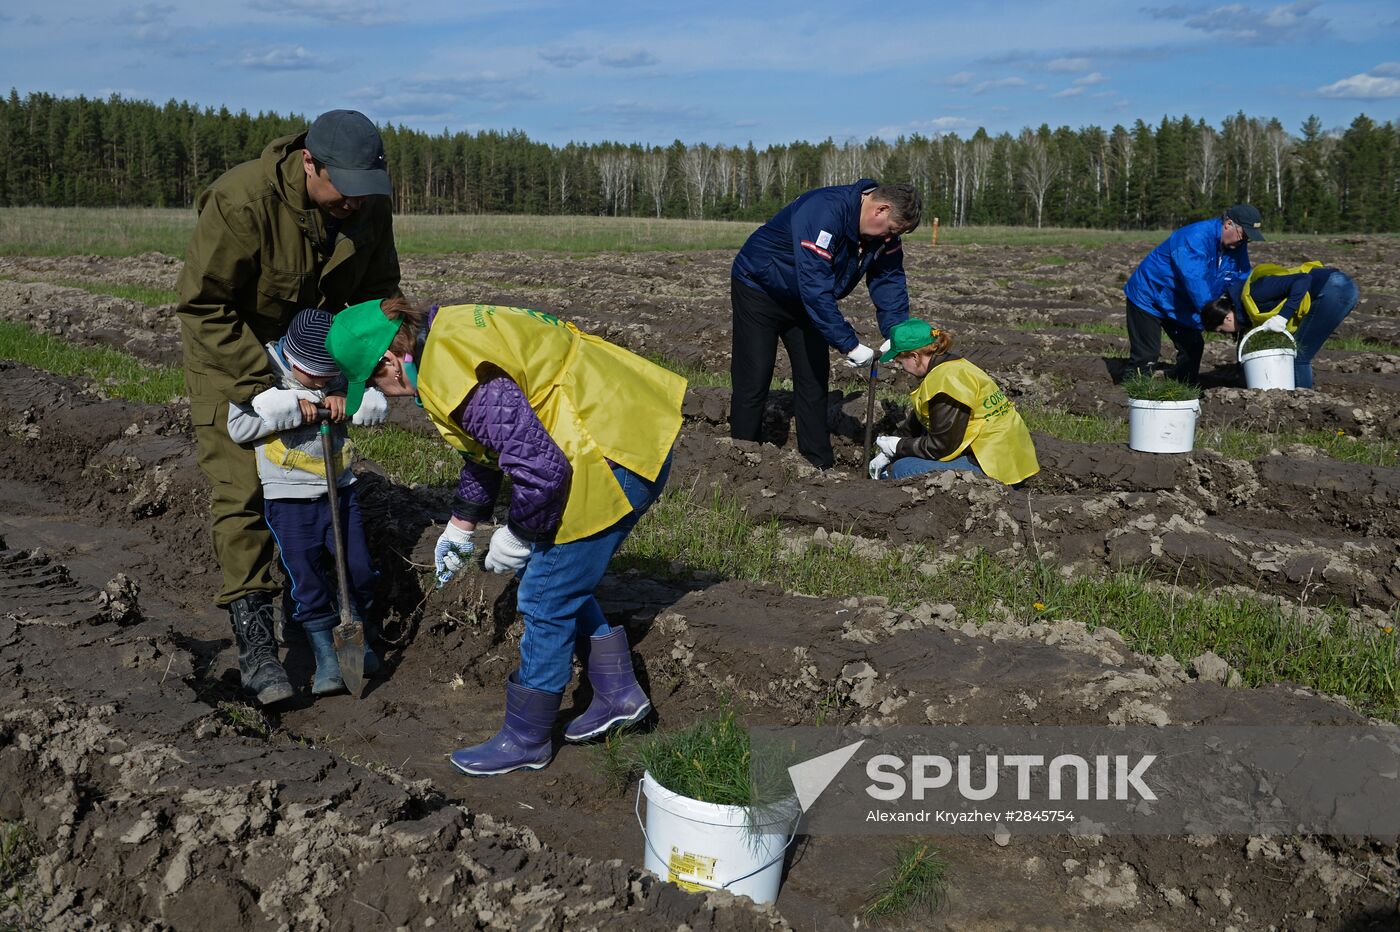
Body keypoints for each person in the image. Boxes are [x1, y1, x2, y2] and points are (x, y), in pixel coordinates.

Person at [325, 299, 685, 776]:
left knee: (543, 595)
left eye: (373, 382)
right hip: (621, 420)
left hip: (611, 449)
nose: (381, 392)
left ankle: (527, 739)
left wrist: (517, 535)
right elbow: (491, 443)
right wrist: (462, 523)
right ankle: (618, 694)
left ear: (389, 359)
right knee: (560, 577)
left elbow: (543, 472)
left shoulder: (450, 372)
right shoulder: (446, 334)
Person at [175, 109, 400, 706]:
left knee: (323, 487)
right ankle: (257, 647)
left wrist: (374, 371)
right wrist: (260, 385)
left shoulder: (366, 206)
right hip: (234, 356)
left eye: (364, 190)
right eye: (343, 188)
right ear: (309, 163)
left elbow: (377, 298)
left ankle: (320, 623)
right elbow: (203, 306)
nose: (354, 202)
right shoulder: (241, 202)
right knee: (242, 492)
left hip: (315, 356)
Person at [226, 307, 385, 697]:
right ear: (292, 360)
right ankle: (325, 656)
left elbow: (361, 394)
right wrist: (292, 410)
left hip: (339, 490)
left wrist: (344, 397)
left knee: (359, 568)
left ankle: (357, 635)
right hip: (289, 499)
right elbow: (238, 427)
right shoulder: (262, 375)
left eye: (330, 376)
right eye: (315, 377)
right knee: (307, 578)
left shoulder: (332, 376)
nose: (323, 383)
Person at [730, 180, 921, 469]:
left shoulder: (883, 238)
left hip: (805, 300)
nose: (891, 237)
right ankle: (742, 457)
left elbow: (889, 278)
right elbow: (814, 285)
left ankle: (818, 463)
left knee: (813, 378)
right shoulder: (824, 210)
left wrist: (897, 331)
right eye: (892, 229)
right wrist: (849, 343)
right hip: (760, 288)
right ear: (881, 209)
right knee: (754, 375)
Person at [867, 319, 1039, 485]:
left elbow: (941, 447)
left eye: (900, 361)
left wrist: (898, 447)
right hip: (1009, 453)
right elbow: (919, 420)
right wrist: (894, 446)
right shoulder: (953, 365)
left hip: (993, 463)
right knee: (909, 453)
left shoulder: (946, 382)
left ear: (914, 357)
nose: (902, 368)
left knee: (902, 469)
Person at [1122, 204, 1263, 385]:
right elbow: (1196, 283)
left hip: (1180, 303)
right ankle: (1133, 392)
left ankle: (1182, 388)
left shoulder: (1237, 246)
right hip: (1150, 296)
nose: (1245, 241)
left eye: (1248, 239)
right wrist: (1216, 317)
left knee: (1193, 346)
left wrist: (1246, 312)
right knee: (1147, 354)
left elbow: (1242, 277)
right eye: (1244, 235)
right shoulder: (1195, 238)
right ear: (1228, 224)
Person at [1202, 262, 1359, 389]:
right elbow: (1243, 347)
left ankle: (1302, 404)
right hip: (1335, 288)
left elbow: (1303, 280)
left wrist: (1283, 316)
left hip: (1335, 288)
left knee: (1299, 356)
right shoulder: (1245, 310)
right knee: (1296, 350)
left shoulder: (1257, 292)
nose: (1226, 334)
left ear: (1227, 318)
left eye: (1221, 331)